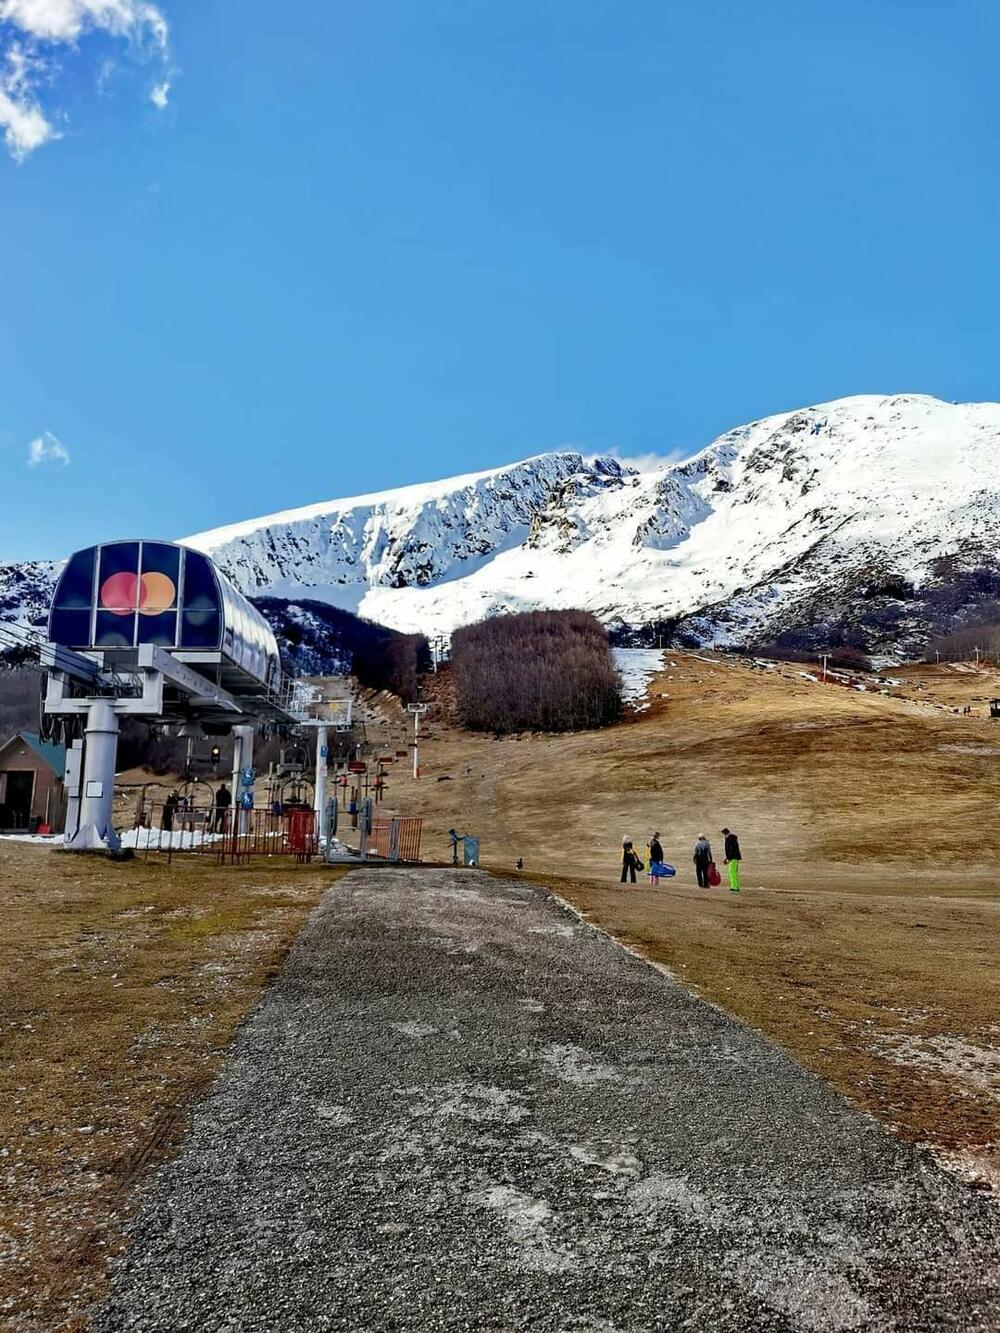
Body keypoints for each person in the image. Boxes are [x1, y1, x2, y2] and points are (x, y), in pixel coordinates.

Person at [722, 827, 742, 893]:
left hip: (732, 858)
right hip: (735, 858)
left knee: (732, 873)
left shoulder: (729, 839)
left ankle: (734, 887)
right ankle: (735, 886)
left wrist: (727, 858)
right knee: (734, 873)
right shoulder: (733, 838)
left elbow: (731, 850)